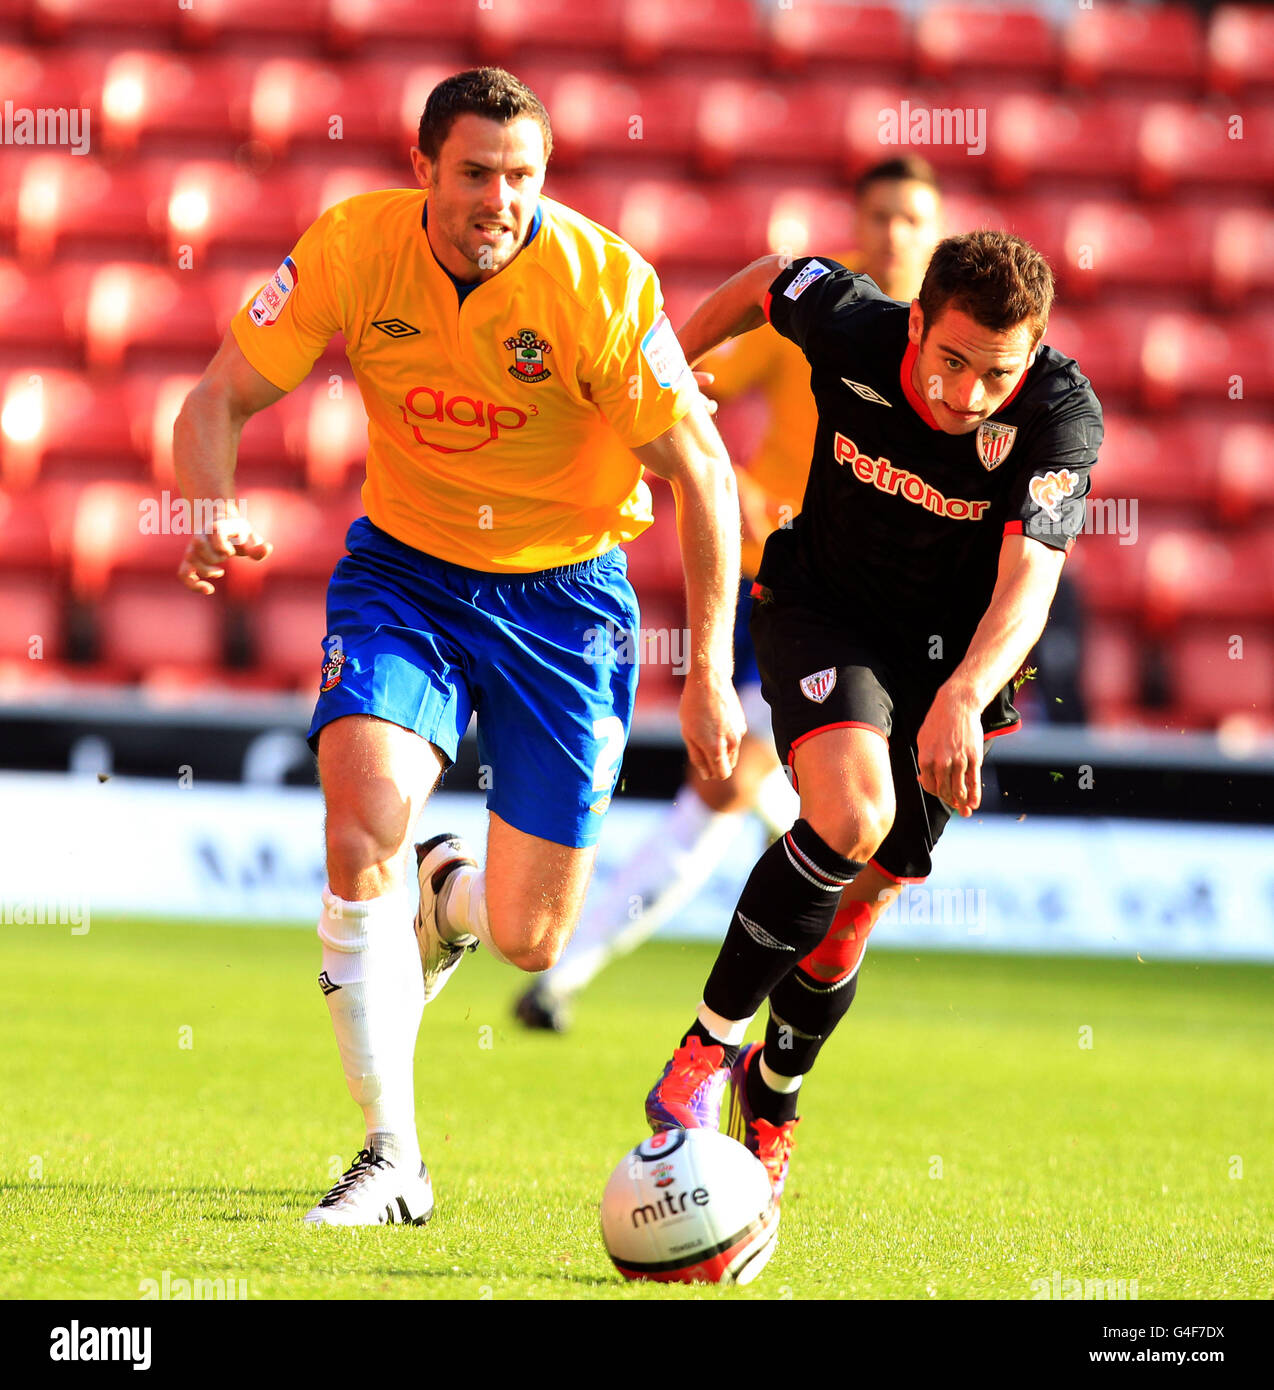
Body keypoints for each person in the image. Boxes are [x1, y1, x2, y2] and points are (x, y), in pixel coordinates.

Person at [172, 68, 743, 1226]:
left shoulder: (596, 283)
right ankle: (390, 1160)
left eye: (522, 176)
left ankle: (444, 899)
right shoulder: (351, 248)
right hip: (406, 575)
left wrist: (713, 672)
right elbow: (215, 401)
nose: (500, 199)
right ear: (422, 165)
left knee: (533, 939)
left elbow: (702, 473)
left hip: (566, 603)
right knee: (361, 813)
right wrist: (205, 506)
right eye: (476, 173)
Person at [644, 231, 1103, 1200]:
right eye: (949, 361)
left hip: (955, 664)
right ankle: (703, 1050)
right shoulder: (850, 323)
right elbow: (765, 278)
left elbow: (1031, 578)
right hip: (824, 611)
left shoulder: (1060, 414)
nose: (966, 395)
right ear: (916, 324)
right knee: (851, 816)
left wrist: (966, 694)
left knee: (852, 918)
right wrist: (670, 373)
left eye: (995, 374)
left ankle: (774, 1093)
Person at [515, 157, 943, 1032]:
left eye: (913, 219)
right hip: (780, 590)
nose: (896, 234)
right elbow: (697, 380)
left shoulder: (952, 357)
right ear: (858, 226)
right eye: (882, 217)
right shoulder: (834, 319)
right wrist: (736, 485)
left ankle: (593, 974)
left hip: (875, 615)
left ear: (933, 231)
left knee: (750, 801)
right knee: (728, 786)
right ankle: (601, 982)